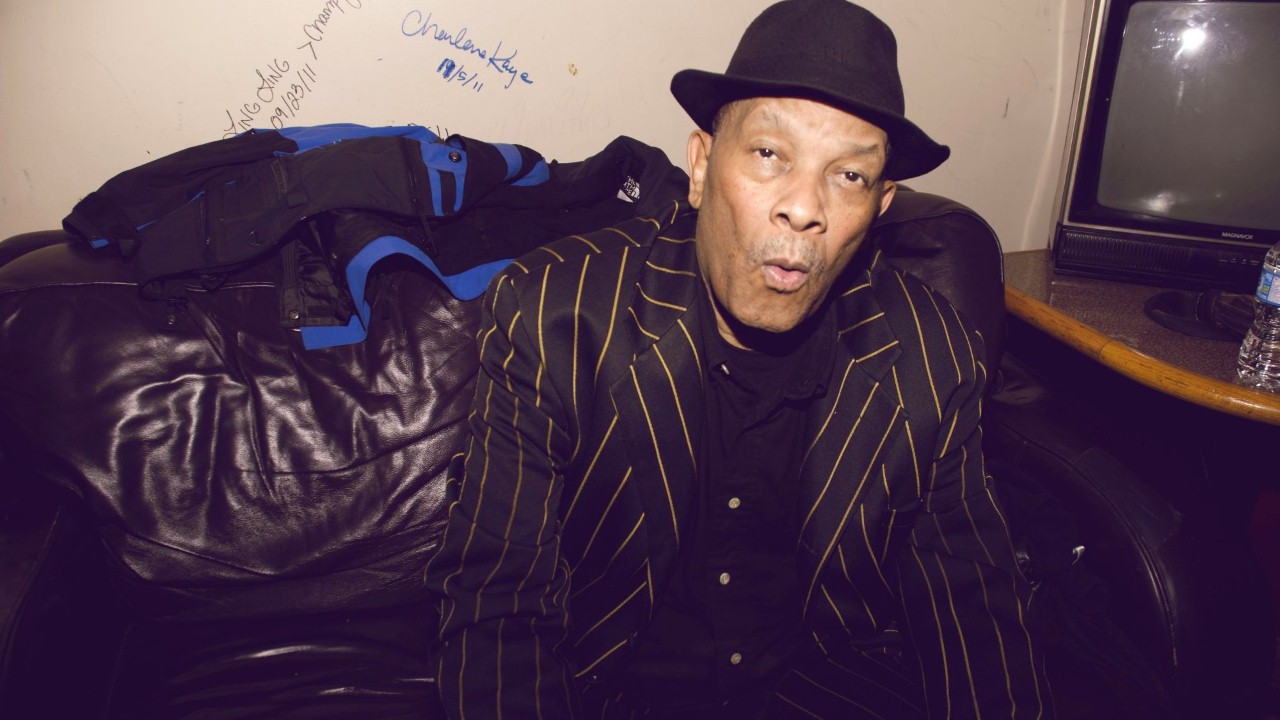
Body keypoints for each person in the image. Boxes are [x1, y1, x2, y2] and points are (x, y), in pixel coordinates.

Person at [424, 1, 1053, 717]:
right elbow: (498, 604)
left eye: (849, 175)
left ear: (880, 208)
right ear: (700, 166)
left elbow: (973, 611)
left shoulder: (932, 355)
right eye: (769, 154)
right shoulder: (555, 315)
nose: (803, 207)